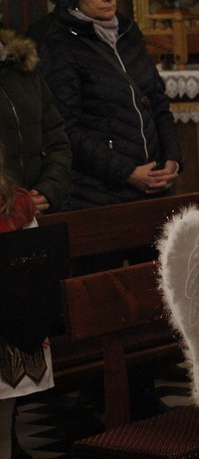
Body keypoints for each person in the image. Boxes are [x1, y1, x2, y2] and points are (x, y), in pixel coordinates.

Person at [40, 0, 182, 212]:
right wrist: (127, 172)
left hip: (155, 186)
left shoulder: (128, 32)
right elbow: (67, 128)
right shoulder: (61, 44)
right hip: (98, 194)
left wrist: (172, 159)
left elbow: (157, 102)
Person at [0, 145, 55, 459]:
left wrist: (36, 319)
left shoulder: (15, 203)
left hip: (8, 333)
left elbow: (33, 274)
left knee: (2, 433)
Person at [0, 27, 71, 215]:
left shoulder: (20, 65)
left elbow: (56, 141)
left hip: (36, 212)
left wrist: (48, 190)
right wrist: (9, 201)